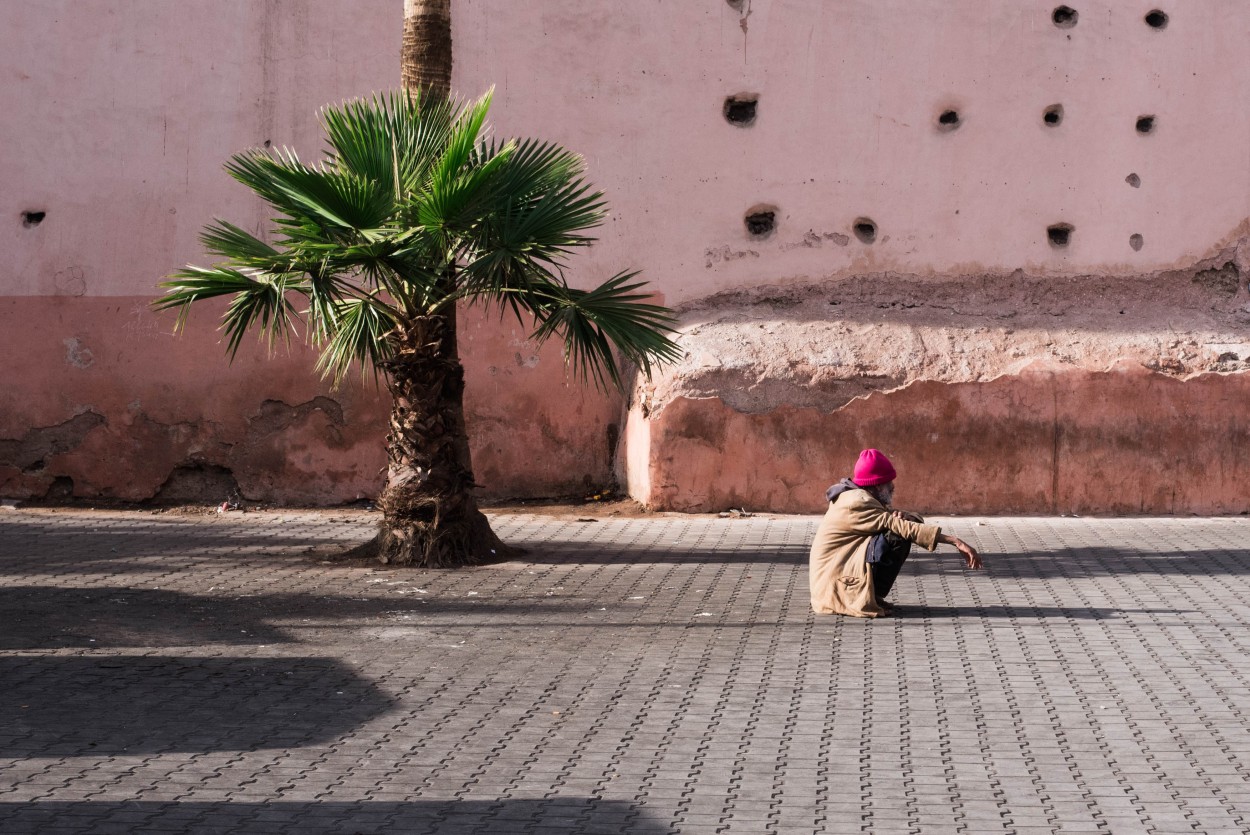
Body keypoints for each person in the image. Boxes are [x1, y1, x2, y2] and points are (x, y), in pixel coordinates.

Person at [809, 448, 982, 618]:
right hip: (831, 590)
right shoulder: (857, 501)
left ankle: (873, 596)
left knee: (898, 530)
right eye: (888, 483)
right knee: (897, 537)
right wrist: (956, 542)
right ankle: (867, 597)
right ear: (877, 485)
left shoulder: (855, 495)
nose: (892, 487)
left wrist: (904, 517)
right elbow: (903, 528)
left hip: (831, 582)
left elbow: (901, 520)